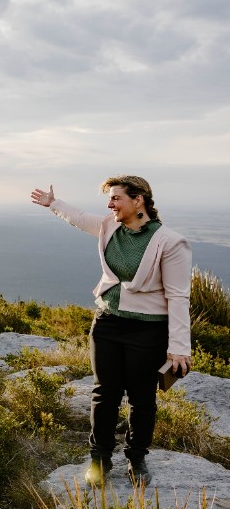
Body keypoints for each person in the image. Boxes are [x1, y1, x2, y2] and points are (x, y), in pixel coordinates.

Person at [31, 176, 192, 486]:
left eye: (116, 198)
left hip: (148, 330)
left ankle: (136, 459)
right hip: (107, 323)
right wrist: (53, 204)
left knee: (142, 398)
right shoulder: (109, 226)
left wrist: (179, 348)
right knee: (104, 394)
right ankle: (99, 459)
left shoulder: (170, 242)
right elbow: (78, 218)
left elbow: (178, 297)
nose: (110, 204)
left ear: (139, 200)